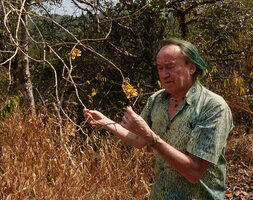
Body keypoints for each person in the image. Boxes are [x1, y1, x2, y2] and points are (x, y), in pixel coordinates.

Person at [83, 38, 233, 200]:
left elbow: (194, 172)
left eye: (170, 67)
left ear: (191, 68)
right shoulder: (157, 100)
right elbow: (138, 140)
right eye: (160, 68)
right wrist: (105, 122)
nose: (164, 75)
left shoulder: (213, 107)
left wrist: (151, 137)